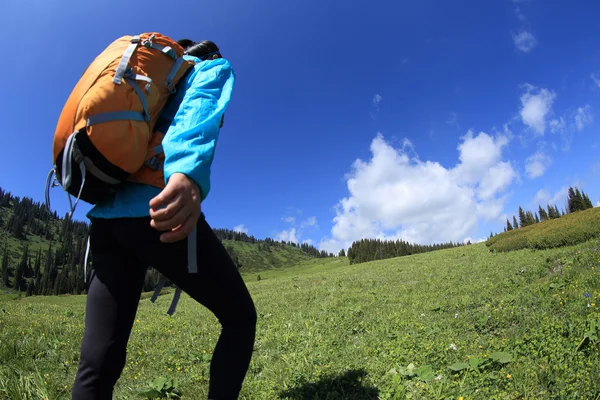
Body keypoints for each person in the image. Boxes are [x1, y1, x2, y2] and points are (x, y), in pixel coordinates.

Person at [71, 39, 257, 400]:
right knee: (239, 319)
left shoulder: (146, 80)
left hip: (108, 221)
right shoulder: (209, 68)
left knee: (97, 364)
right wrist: (186, 172)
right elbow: (198, 112)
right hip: (157, 209)